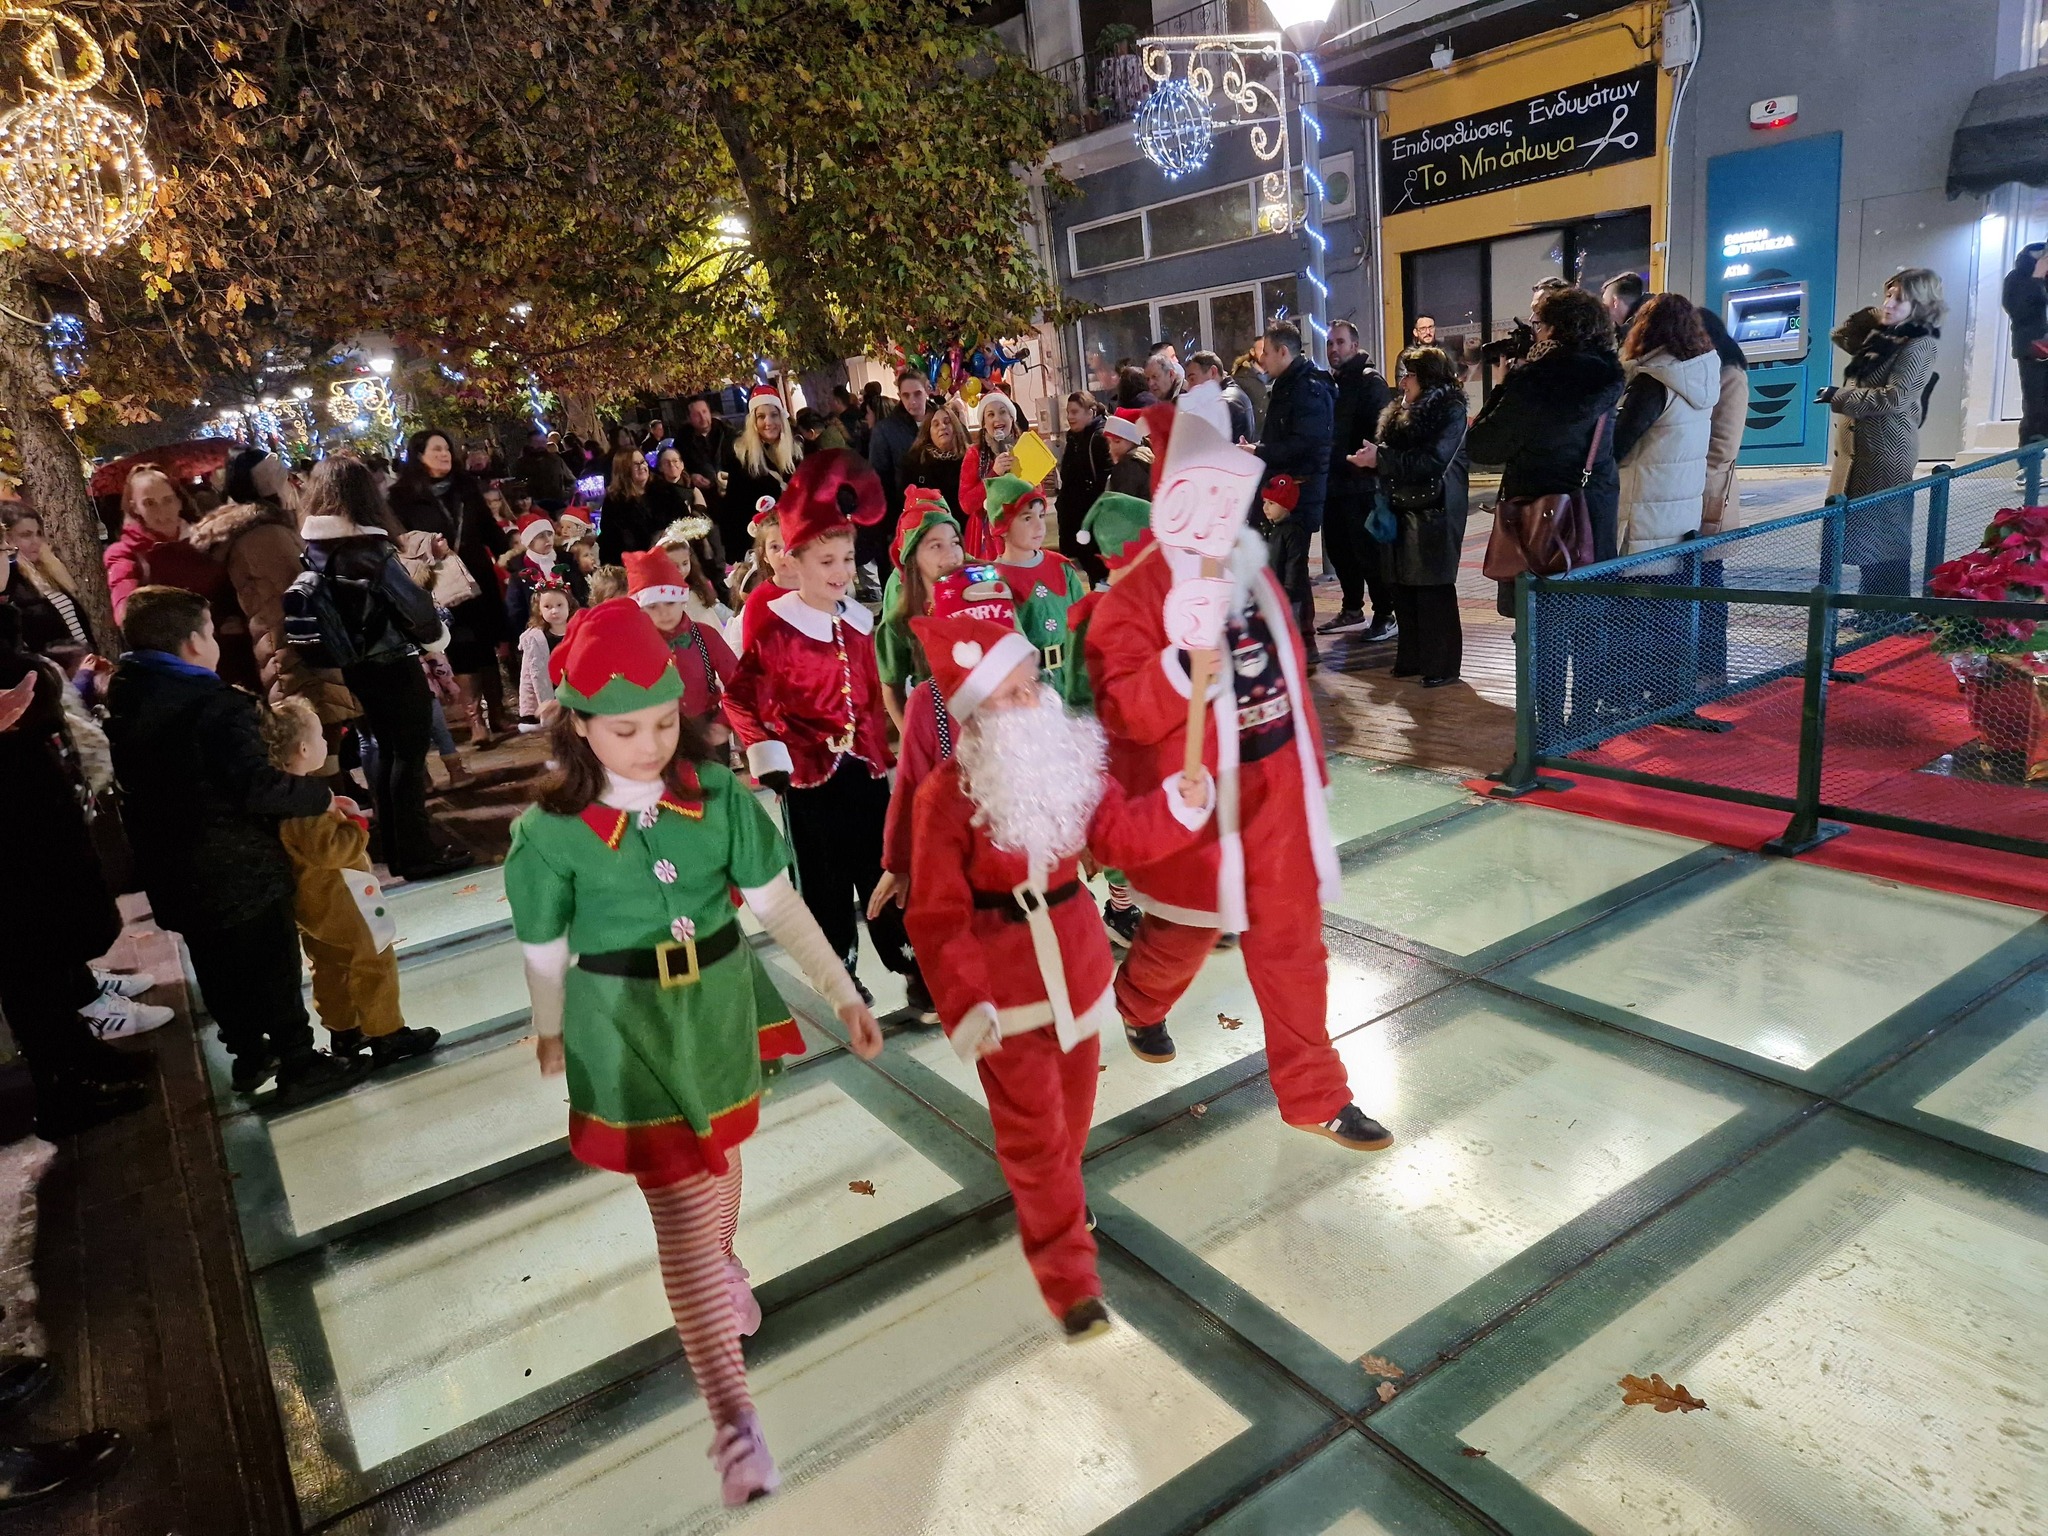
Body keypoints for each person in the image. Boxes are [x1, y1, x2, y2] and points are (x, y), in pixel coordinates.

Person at [505, 599, 883, 1507]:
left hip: (717, 1009)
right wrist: (550, 1024)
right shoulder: (547, 834)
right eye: (624, 730)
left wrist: (840, 989)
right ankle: (733, 1417)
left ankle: (723, 1262)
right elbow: (543, 945)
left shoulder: (717, 797)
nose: (648, 745)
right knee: (680, 1211)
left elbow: (777, 904)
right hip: (627, 1028)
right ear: (578, 725)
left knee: (721, 1156)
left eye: (663, 723)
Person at [1082, 407, 1392, 1153]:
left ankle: (1315, 1094)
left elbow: (1292, 672)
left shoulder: (1253, 573)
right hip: (1202, 806)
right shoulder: (1135, 597)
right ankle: (1139, 1000)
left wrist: (1310, 774)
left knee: (1292, 947)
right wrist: (1179, 669)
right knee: (1188, 929)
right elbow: (1121, 708)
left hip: (1275, 794)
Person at [904, 612, 1212, 1339]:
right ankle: (1071, 1284)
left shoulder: (1069, 765)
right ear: (975, 714)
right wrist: (965, 1000)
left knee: (1069, 1124)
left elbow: (1121, 833)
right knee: (1037, 1139)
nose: (1033, 700)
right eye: (1010, 693)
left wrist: (1178, 806)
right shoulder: (945, 797)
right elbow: (937, 915)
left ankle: (1059, 1202)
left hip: (1077, 977)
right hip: (1005, 995)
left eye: (1032, 684)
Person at [105, 587, 362, 1103]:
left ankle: (248, 1053)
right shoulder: (216, 705)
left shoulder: (126, 696)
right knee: (273, 964)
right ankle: (299, 1060)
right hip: (239, 865)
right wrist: (319, 795)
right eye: (210, 632)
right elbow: (255, 786)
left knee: (216, 965)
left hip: (173, 868)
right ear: (192, 643)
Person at [724, 451, 913, 1003]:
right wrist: (766, 752)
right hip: (807, 779)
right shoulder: (778, 628)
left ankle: (909, 962)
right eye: (826, 560)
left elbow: (869, 699)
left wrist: (882, 755)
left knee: (882, 868)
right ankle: (839, 973)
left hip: (865, 774)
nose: (841, 571)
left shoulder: (860, 623)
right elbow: (738, 698)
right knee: (825, 884)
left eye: (847, 559)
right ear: (795, 562)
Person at [0, 605, 160, 1137]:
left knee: (48, 948)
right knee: (27, 961)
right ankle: (61, 1092)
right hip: (12, 824)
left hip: (31, 812)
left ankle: (79, 1054)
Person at [299, 456, 472, 880]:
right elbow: (415, 609)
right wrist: (436, 637)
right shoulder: (369, 550)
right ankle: (417, 853)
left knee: (388, 752)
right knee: (408, 758)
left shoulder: (315, 547)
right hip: (392, 661)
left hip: (355, 666)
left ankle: (399, 849)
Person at [262, 697, 440, 1066]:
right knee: (375, 957)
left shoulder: (279, 796)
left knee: (329, 964)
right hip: (345, 896)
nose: (327, 743)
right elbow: (330, 851)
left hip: (311, 902)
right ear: (304, 749)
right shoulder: (307, 802)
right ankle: (386, 1032)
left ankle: (344, 1029)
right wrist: (355, 825)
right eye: (320, 737)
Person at [1823, 268, 1945, 597]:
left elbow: (1897, 397)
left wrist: (1839, 396)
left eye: (1899, 299)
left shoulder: (1919, 342)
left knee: (1884, 536)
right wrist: (1876, 316)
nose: (1888, 304)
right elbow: (1842, 335)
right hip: (1859, 453)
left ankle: (1888, 613)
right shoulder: (1886, 338)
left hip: (1885, 453)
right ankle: (1870, 610)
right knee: (1866, 537)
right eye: (1887, 296)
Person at [1352, 346, 1469, 686]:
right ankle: (1413, 658)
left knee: (1433, 587)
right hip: (1401, 506)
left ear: (1428, 377)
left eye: (1409, 375)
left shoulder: (1450, 410)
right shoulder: (1403, 411)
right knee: (1402, 584)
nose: (1402, 383)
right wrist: (1375, 458)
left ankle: (1441, 665)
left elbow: (1433, 461)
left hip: (1436, 509)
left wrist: (1381, 459)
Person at [389, 429, 512, 746]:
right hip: (441, 581)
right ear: (419, 455)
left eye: (446, 448)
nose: (444, 454)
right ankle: (476, 721)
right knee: (461, 645)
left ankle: (498, 712)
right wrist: (429, 548)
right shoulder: (402, 497)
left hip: (478, 577)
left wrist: (510, 554)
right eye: (436, 449)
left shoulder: (465, 486)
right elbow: (401, 542)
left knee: (486, 642)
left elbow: (487, 528)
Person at [104, 465, 245, 680]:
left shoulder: (208, 539)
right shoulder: (126, 554)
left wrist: (236, 617)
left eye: (168, 500)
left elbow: (235, 588)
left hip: (234, 655)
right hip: (179, 668)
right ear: (134, 507)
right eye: (149, 503)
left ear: (179, 500)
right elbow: (128, 615)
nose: (162, 511)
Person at [1248, 320, 1335, 668]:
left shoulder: (1306, 388)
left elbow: (1306, 444)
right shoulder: (1289, 385)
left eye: (1266, 353)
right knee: (1284, 568)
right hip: (1285, 492)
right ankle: (1292, 643)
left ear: (1283, 352)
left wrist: (1261, 451)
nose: (1262, 360)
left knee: (1293, 572)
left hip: (1296, 493)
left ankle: (1303, 644)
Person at [1613, 293, 1723, 557]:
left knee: (1642, 582)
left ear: (1645, 330)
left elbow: (1617, 444)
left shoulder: (1654, 380)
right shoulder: (1698, 376)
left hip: (1643, 519)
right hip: (1680, 520)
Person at [1319, 319, 1397, 642]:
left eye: (1340, 342)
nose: (1333, 349)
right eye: (1330, 343)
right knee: (1340, 551)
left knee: (1369, 553)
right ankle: (1352, 608)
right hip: (1335, 483)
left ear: (1354, 345)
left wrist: (1364, 462)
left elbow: (1380, 431)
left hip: (1361, 484)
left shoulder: (1369, 381)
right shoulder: (1332, 383)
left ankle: (1385, 613)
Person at [987, 476, 1090, 706]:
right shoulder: (996, 581)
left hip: (1071, 682)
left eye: (1041, 516)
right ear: (1003, 526)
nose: (1039, 526)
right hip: (1029, 690)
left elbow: (1083, 626)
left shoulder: (1062, 568)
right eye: (1027, 518)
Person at [627, 547, 737, 744]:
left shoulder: (706, 636)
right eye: (653, 606)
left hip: (706, 730)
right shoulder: (635, 645)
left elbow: (739, 681)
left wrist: (723, 723)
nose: (664, 613)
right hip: (656, 736)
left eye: (670, 603)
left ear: (682, 600)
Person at [875, 489, 964, 730]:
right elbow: (891, 687)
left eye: (955, 543)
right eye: (936, 546)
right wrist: (911, 737)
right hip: (938, 727)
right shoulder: (899, 620)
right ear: (913, 557)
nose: (952, 554)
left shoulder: (984, 596)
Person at [1, 505, 98, 663]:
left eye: (38, 533)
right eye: (26, 535)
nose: (36, 541)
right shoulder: (12, 583)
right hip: (58, 670)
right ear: (7, 540)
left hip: (85, 664)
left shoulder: (49, 573)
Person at [717, 387, 799, 558]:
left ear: (782, 417)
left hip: (795, 542)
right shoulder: (742, 459)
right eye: (761, 416)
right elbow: (734, 511)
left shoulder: (797, 454)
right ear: (753, 422)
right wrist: (738, 555)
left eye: (774, 415)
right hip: (761, 548)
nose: (768, 422)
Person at [1054, 392, 1112, 582]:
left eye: (1074, 412)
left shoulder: (1098, 438)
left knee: (1100, 573)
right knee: (1091, 570)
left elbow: (1104, 481)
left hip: (1094, 521)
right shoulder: (1074, 439)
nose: (1070, 417)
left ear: (1091, 412)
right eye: (1068, 412)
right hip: (1078, 520)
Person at [959, 390, 1022, 554]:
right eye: (991, 415)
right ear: (983, 423)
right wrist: (993, 474)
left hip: (1020, 532)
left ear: (1012, 418)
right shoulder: (974, 454)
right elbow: (966, 504)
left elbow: (1038, 496)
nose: (997, 419)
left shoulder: (1025, 450)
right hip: (987, 539)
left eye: (1003, 412)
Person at [866, 368, 931, 526]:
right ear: (899, 396)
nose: (912, 401)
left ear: (927, 390)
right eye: (906, 395)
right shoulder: (885, 430)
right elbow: (880, 480)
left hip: (944, 508)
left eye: (917, 394)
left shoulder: (942, 420)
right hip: (906, 513)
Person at [506, 510, 589, 631]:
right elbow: (516, 613)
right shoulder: (519, 573)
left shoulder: (567, 560)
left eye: (549, 534)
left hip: (574, 625)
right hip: (540, 631)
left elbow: (581, 591)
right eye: (540, 536)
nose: (547, 539)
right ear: (529, 541)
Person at [902, 396, 970, 532]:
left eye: (947, 422)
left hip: (966, 530)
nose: (942, 427)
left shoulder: (969, 457)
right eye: (936, 424)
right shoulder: (915, 461)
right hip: (931, 530)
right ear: (929, 431)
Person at [2004, 244, 2048, 446]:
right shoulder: (2017, 278)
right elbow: (2019, 310)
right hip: (2034, 351)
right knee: (2036, 406)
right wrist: (2037, 277)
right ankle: (2031, 458)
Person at [652, 520, 733, 630]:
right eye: (675, 565)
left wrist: (739, 617)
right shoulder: (660, 599)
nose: (681, 570)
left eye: (685, 563)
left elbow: (719, 610)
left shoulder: (698, 589)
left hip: (713, 637)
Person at [517, 581, 575, 729]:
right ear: (539, 610)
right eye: (547, 607)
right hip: (552, 700)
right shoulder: (535, 640)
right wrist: (528, 713)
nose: (554, 611)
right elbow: (528, 676)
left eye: (559, 605)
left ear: (569, 605)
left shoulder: (579, 632)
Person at [597, 448, 662, 567]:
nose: (642, 466)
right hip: (633, 564)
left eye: (643, 461)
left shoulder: (662, 489)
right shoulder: (614, 502)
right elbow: (610, 541)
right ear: (624, 470)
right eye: (635, 464)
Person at [1186, 351, 1253, 445]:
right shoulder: (1230, 396)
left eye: (1192, 379)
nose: (1189, 388)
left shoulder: (1224, 403)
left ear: (1213, 372)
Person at [677, 396, 731, 506]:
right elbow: (679, 468)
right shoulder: (682, 442)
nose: (702, 417)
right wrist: (691, 477)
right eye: (696, 414)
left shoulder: (728, 434)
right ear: (689, 418)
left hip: (733, 493)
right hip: (705, 499)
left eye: (704, 412)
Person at [516, 428, 578, 513]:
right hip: (535, 508)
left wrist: (566, 495)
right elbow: (518, 485)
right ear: (530, 444)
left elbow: (571, 480)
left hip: (558, 506)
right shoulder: (522, 464)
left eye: (543, 442)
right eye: (537, 442)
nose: (541, 445)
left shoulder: (556, 460)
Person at [1103, 410, 1152, 498]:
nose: (1111, 449)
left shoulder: (1126, 467)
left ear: (1133, 441)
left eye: (1117, 441)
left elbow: (1120, 504)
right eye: (1108, 442)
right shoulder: (1147, 460)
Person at [1601, 272, 1648, 338]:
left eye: (1604, 302)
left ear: (1615, 302)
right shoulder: (1654, 325)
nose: (1602, 309)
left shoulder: (1634, 338)